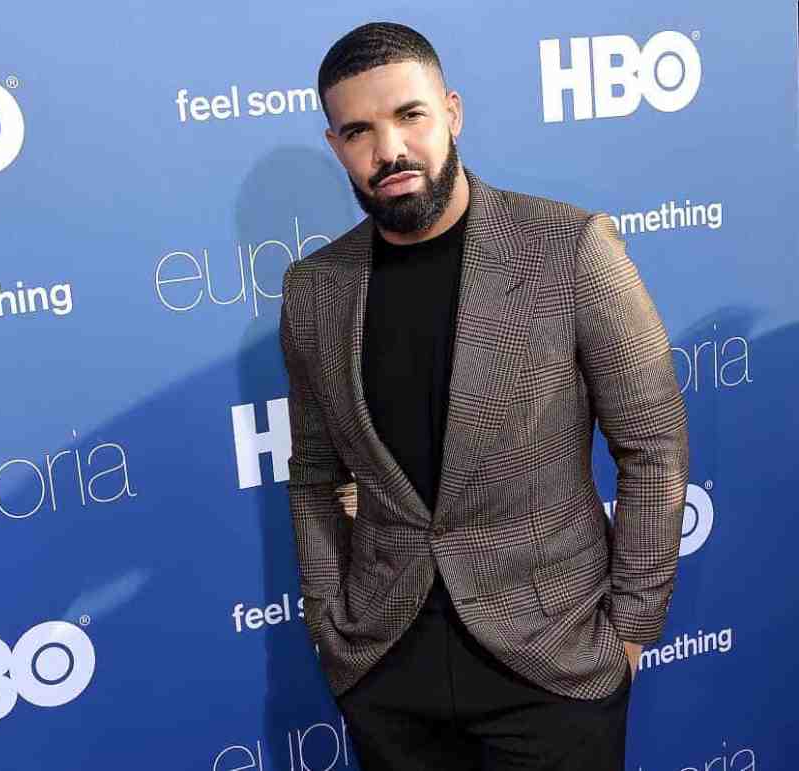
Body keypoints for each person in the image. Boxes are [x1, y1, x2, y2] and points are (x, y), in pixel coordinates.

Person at [279, 20, 690, 771]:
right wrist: (326, 619)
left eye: (410, 116)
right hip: (386, 665)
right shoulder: (314, 290)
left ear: (453, 113)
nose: (390, 150)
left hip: (552, 663)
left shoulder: (569, 248)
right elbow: (311, 470)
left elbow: (654, 443)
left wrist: (630, 629)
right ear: (336, 144)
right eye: (359, 130)